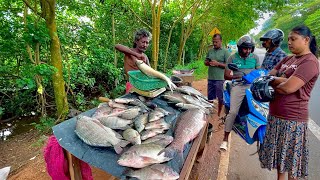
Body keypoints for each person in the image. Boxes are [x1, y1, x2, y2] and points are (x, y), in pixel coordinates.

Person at [259, 25, 319, 180]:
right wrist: (277, 79)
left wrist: (274, 80)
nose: (290, 42)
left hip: (293, 120)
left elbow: (288, 88)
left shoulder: (310, 62)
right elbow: (268, 75)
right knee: (280, 158)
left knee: (292, 164)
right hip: (275, 115)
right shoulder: (288, 58)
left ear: (306, 40)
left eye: (294, 39)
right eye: (289, 39)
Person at [220, 35, 260, 150]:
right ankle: (225, 139)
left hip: (252, 86)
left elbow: (258, 72)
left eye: (249, 48)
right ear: (239, 48)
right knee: (232, 112)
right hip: (238, 85)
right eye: (245, 48)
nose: (247, 51)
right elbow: (226, 75)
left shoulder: (255, 58)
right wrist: (240, 76)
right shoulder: (232, 58)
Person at [115, 29, 152, 93]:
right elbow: (117, 46)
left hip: (143, 86)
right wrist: (136, 55)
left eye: (147, 43)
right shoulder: (129, 52)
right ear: (136, 41)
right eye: (143, 42)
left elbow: (150, 72)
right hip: (131, 86)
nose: (145, 45)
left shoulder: (145, 56)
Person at [204, 34, 231, 118]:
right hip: (211, 77)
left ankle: (219, 113)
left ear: (221, 41)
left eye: (216, 42)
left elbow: (229, 65)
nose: (214, 43)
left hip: (220, 78)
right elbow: (205, 61)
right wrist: (208, 63)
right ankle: (209, 112)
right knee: (210, 97)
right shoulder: (210, 51)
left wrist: (218, 64)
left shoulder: (225, 52)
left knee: (220, 97)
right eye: (213, 42)